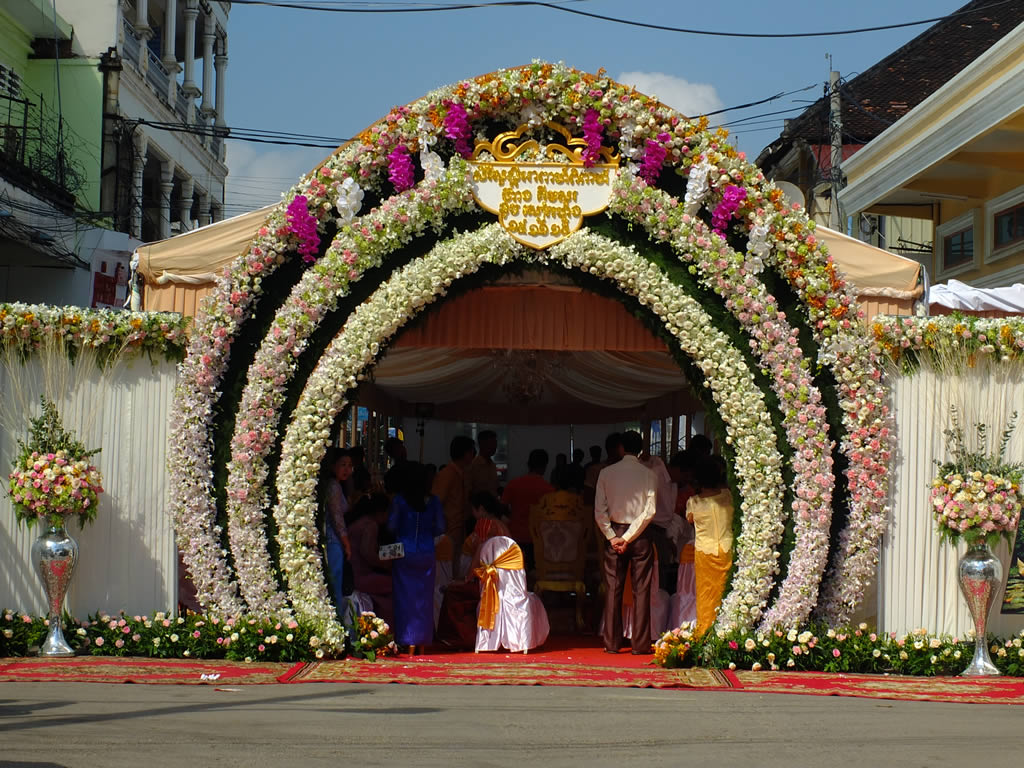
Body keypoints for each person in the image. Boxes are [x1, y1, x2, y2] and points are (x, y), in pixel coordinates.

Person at [594, 430, 657, 654]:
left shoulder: (606, 472)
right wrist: (629, 536)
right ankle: (640, 644)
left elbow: (599, 510)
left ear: (621, 447)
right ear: (640, 449)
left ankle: (611, 643)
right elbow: (650, 511)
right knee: (642, 590)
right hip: (639, 535)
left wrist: (613, 536)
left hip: (615, 530)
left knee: (613, 589)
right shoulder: (649, 474)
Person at [436, 491, 511, 649]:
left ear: (481, 509)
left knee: (451, 592)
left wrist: (467, 578)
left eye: (473, 509)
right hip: (505, 581)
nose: (472, 513)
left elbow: (480, 553)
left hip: (488, 582)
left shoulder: (484, 525)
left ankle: (459, 638)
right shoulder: (502, 525)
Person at [388, 462, 446, 653]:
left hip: (404, 552)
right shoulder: (434, 501)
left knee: (405, 598)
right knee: (424, 598)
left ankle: (407, 638)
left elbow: (392, 526)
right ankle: (422, 641)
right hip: (426, 551)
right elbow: (440, 528)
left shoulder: (400, 501)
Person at [686, 455, 735, 637]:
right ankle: (729, 634)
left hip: (705, 552)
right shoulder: (728, 497)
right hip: (727, 548)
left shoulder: (693, 502)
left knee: (706, 595)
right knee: (727, 592)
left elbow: (690, 519)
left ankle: (706, 633)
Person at [501, 448, 554, 571]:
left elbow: (502, 507)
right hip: (539, 539)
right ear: (545, 466)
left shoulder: (513, 484)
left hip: (514, 536)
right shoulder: (548, 490)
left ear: (528, 464)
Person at [347, 493, 394, 625]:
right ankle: (388, 629)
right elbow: (367, 553)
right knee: (395, 584)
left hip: (355, 575)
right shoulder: (370, 525)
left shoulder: (360, 521)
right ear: (381, 512)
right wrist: (386, 564)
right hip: (361, 576)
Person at [432, 435, 476, 570]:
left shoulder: (460, 474)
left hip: (456, 529)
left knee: (453, 566)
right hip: (448, 530)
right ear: (466, 453)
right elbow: (436, 502)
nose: (474, 455)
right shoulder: (448, 474)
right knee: (448, 568)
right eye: (472, 451)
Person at [322, 447, 353, 615]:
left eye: (349, 465)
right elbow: (337, 518)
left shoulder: (337, 486)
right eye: (343, 465)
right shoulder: (334, 486)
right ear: (333, 466)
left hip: (334, 540)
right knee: (335, 585)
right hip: (334, 541)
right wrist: (346, 543)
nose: (347, 469)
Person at [468, 429, 500, 499]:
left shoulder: (493, 465)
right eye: (492, 444)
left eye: (496, 444)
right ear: (482, 444)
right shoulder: (473, 466)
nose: (495, 447)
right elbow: (469, 492)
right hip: (479, 507)